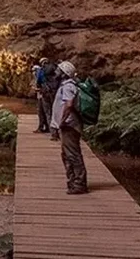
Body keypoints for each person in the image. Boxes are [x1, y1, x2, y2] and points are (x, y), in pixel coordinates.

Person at [51, 61, 88, 195]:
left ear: (64, 73)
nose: (56, 72)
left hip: (69, 125)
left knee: (72, 155)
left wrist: (61, 121)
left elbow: (69, 104)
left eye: (59, 70)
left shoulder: (68, 87)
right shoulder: (66, 86)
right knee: (67, 154)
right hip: (68, 125)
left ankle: (79, 183)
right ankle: (73, 181)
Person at [33, 58, 57, 133]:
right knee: (54, 111)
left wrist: (37, 87)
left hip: (45, 93)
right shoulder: (54, 69)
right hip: (55, 93)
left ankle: (52, 132)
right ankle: (55, 130)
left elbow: (38, 82)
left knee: (47, 112)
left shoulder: (41, 70)